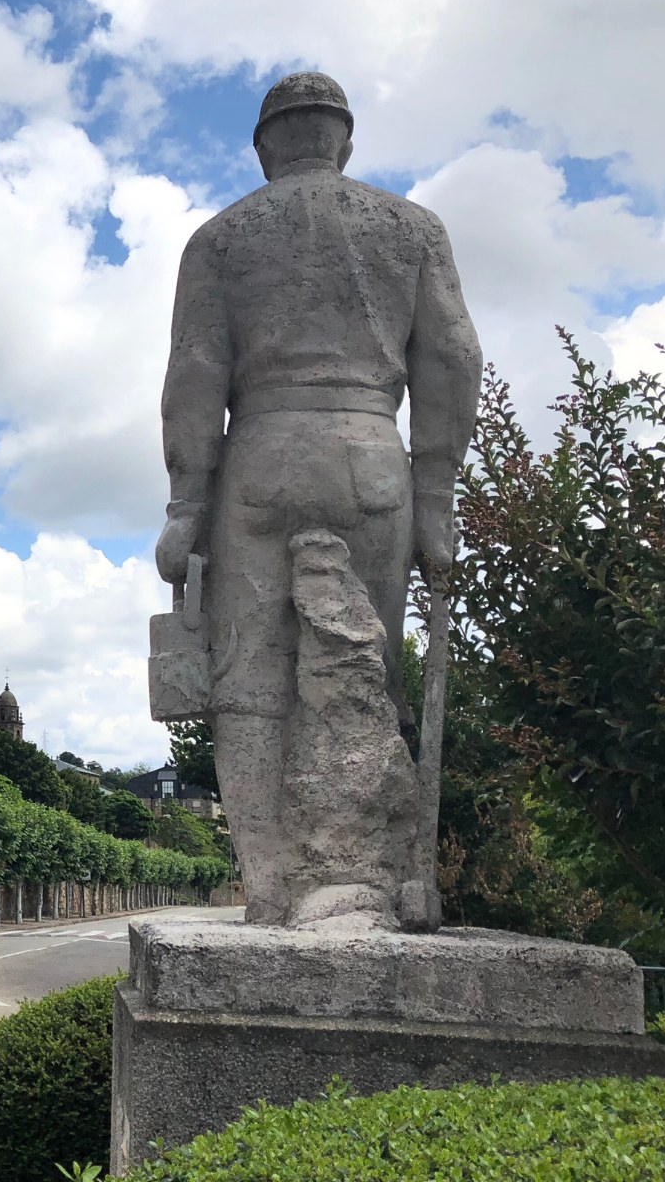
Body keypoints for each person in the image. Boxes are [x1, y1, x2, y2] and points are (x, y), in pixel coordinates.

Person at [155, 72, 482, 928]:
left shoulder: (222, 240)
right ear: (343, 139)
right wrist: (437, 495)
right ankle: (363, 881)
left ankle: (271, 884)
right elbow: (453, 360)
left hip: (261, 460)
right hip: (374, 459)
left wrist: (186, 505)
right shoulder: (411, 230)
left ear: (267, 146)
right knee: (362, 672)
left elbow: (195, 377)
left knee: (250, 679)